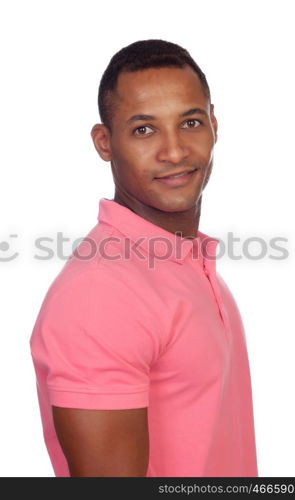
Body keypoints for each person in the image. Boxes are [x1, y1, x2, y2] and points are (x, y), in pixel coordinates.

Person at [29, 39, 258, 477]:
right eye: (144, 130)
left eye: (190, 122)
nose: (175, 152)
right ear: (104, 142)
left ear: (213, 124)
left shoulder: (187, 262)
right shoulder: (102, 293)